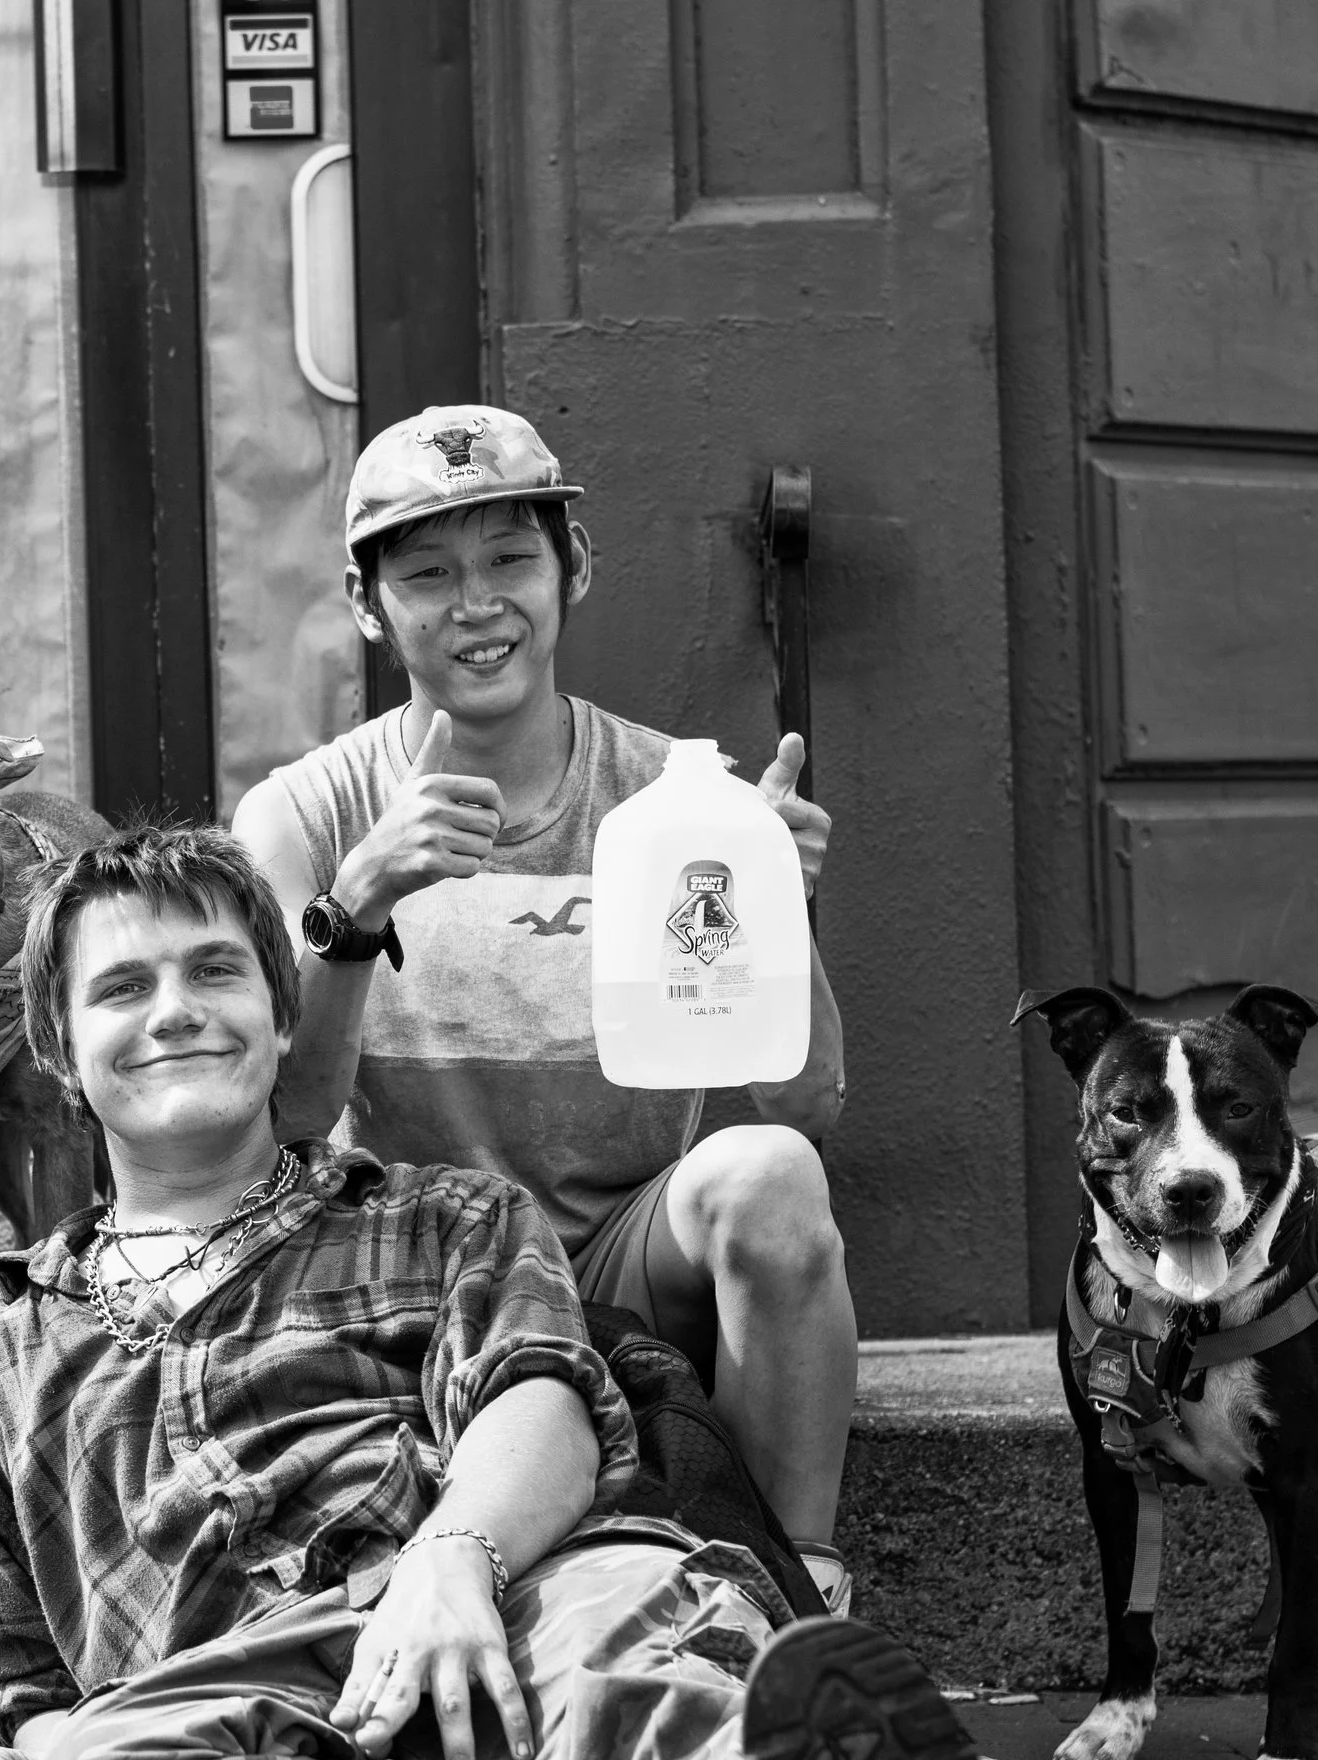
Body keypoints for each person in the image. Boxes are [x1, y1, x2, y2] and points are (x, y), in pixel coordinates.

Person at [0, 825, 971, 1760]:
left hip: (505, 1600)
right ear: (58, 1051)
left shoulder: (440, 1218)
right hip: (212, 1689)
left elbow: (542, 1399)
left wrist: (449, 1560)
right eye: (121, 988)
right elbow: (32, 1687)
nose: (176, 1011)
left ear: (280, 1015)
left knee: (634, 1660)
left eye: (214, 970)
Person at [232, 407, 859, 1609]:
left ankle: (798, 1591)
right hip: (416, 1268)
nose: (476, 605)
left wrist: (773, 906)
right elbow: (292, 1125)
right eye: (427, 574)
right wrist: (359, 901)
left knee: (768, 1170)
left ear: (572, 568)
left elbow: (807, 1101)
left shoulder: (675, 800)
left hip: (618, 1247)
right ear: (368, 606)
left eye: (510, 560)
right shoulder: (304, 817)